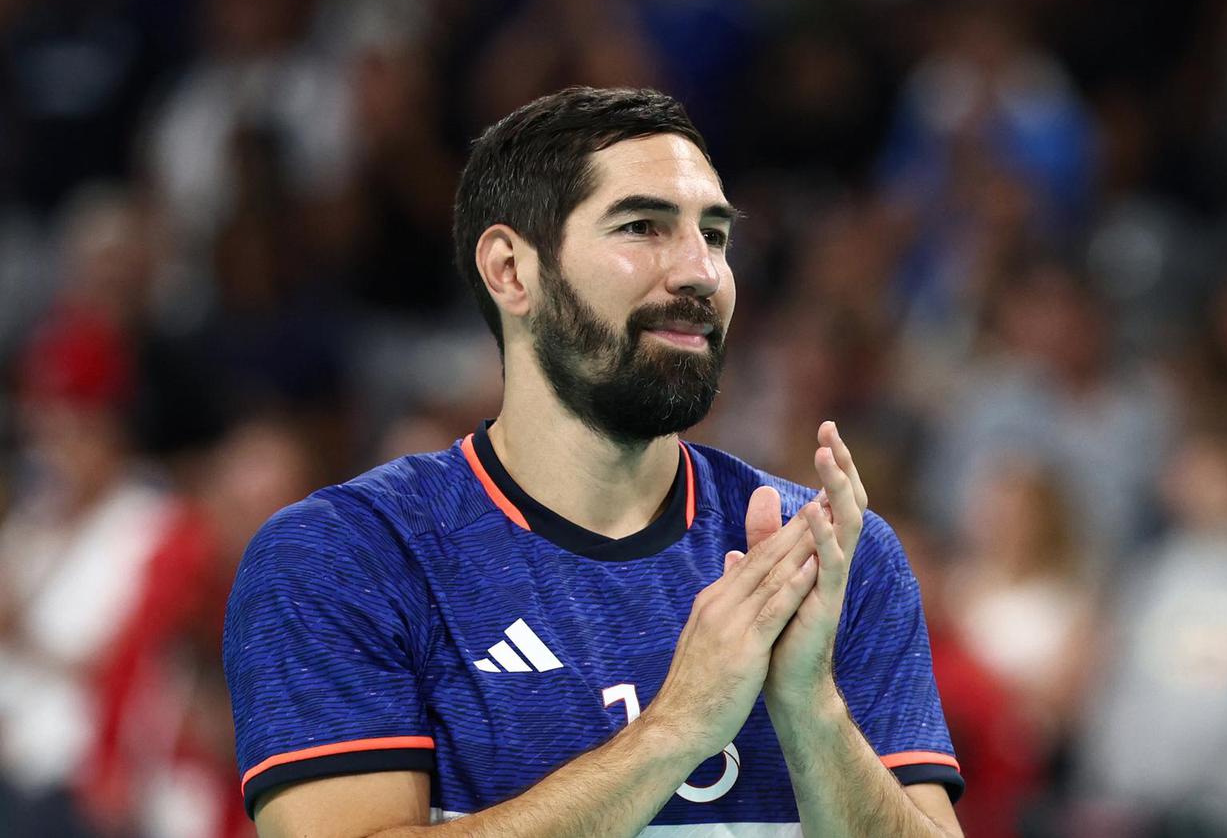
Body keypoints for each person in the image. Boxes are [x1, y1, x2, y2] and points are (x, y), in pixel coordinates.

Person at [224, 86, 965, 837]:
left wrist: (813, 710)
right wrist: (675, 727)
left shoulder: (829, 556)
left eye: (714, 235)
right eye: (643, 226)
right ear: (511, 271)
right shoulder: (348, 557)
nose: (700, 272)